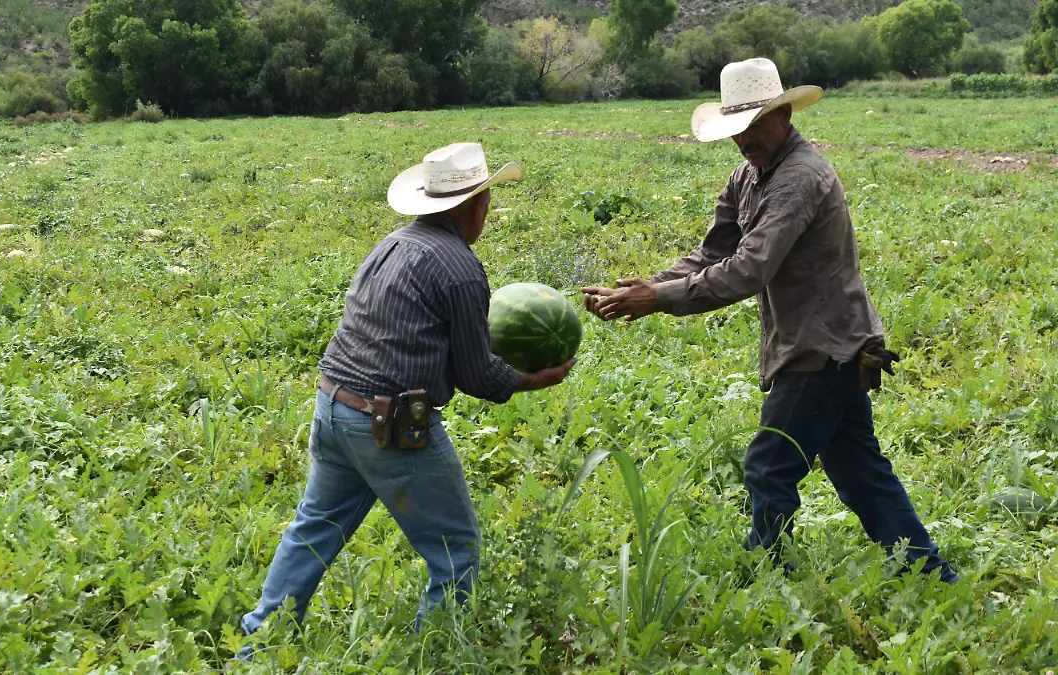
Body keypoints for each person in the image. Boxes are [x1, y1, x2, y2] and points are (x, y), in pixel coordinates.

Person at [581, 58, 958, 583]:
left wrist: (658, 298)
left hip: (822, 350)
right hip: (831, 346)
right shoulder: (748, 175)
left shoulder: (801, 177)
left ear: (783, 113)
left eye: (755, 124)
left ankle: (765, 578)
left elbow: (749, 270)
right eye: (737, 128)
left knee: (768, 466)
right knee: (861, 476)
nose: (745, 139)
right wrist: (640, 288)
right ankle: (930, 574)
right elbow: (714, 253)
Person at [238, 143, 576, 654]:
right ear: (474, 206)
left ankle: (257, 644)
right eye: (486, 200)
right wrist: (538, 379)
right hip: (389, 426)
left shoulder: (392, 244)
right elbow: (478, 375)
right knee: (455, 548)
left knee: (315, 527)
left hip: (333, 405)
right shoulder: (460, 269)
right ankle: (436, 654)